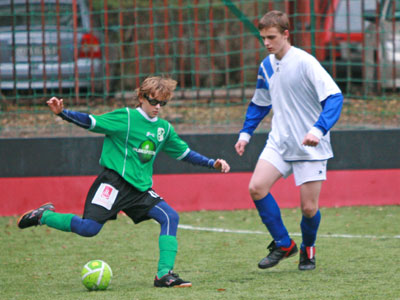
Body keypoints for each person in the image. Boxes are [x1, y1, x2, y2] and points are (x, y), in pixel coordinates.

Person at [18, 76, 230, 287]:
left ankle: (164, 274)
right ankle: (43, 216)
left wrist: (212, 163)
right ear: (141, 97)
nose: (157, 107)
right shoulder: (126, 118)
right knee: (89, 229)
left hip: (139, 189)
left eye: (162, 103)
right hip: (113, 183)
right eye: (153, 101)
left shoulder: (163, 129)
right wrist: (63, 113)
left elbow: (184, 153)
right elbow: (92, 122)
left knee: (170, 217)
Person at [235, 10, 343, 271]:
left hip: (310, 145)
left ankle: (308, 248)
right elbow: (260, 102)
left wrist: (318, 130)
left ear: (286, 34)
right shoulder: (267, 65)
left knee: (308, 209)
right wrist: (245, 134)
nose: (267, 43)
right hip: (279, 142)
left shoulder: (306, 62)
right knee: (256, 187)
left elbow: (334, 97)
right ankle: (284, 244)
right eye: (263, 38)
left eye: (271, 37)